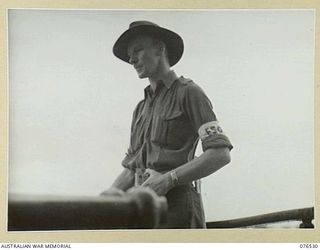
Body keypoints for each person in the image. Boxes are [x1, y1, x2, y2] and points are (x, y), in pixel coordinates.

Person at [101, 21, 233, 229]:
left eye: (138, 50)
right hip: (144, 210)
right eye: (129, 55)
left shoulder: (189, 92)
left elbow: (220, 153)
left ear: (160, 49)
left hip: (179, 207)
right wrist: (104, 203)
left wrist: (167, 180)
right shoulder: (141, 108)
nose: (132, 59)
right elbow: (131, 169)